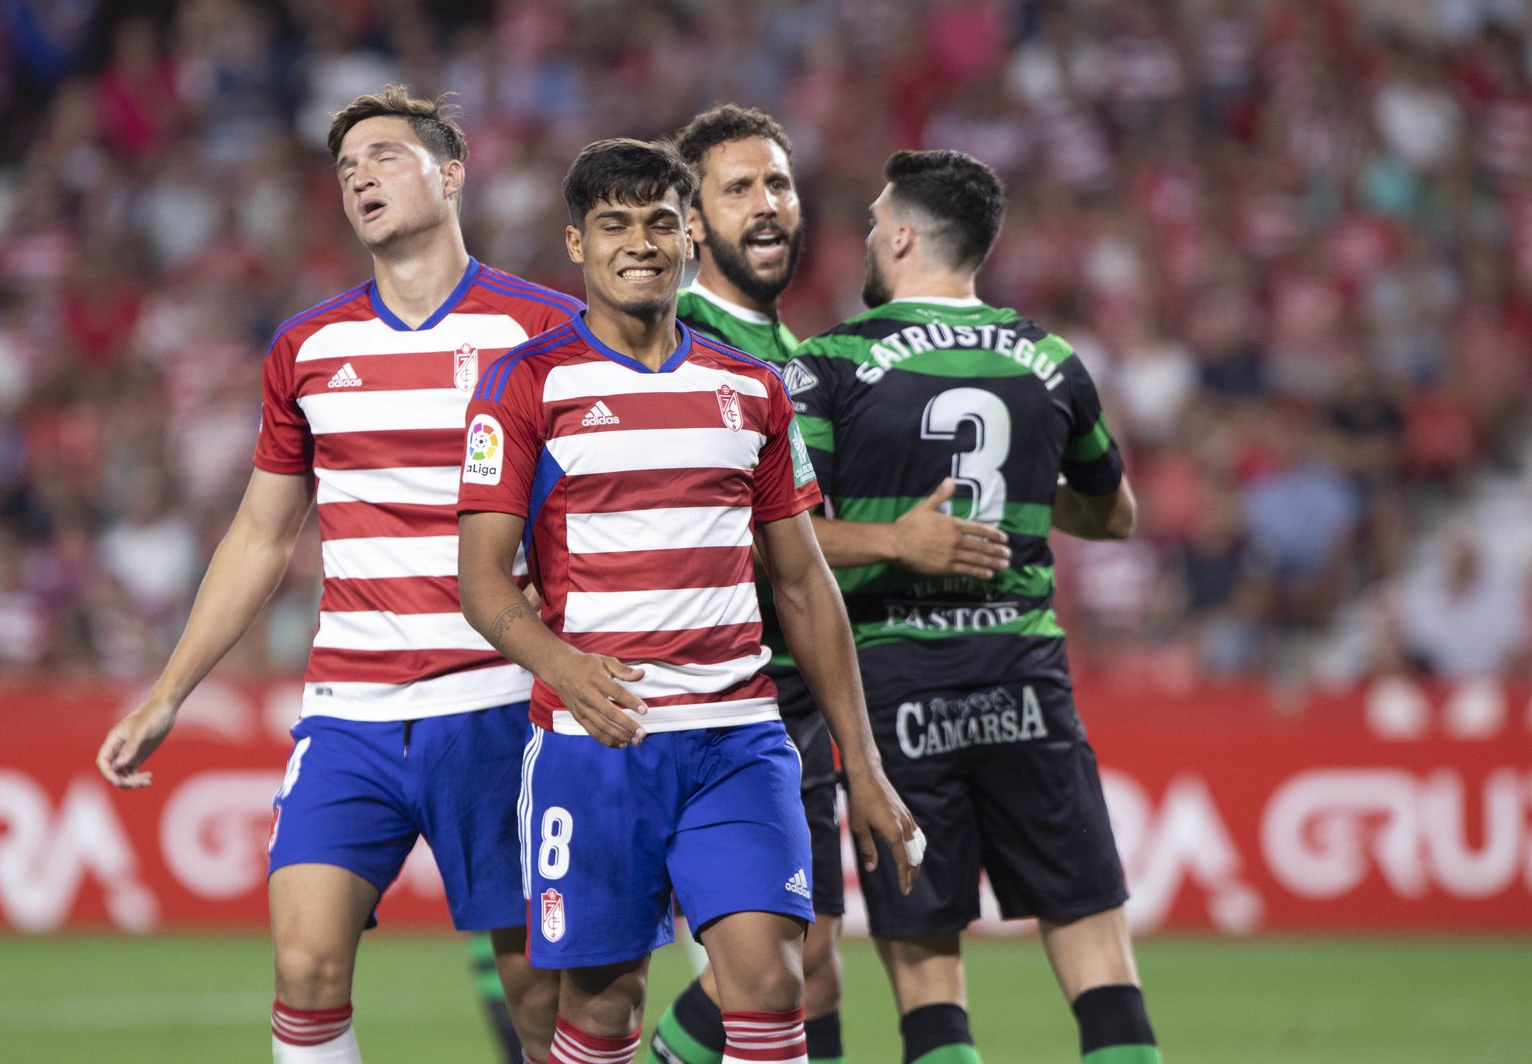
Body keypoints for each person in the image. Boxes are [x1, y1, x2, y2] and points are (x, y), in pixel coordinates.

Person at [93, 85, 581, 1064]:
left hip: (502, 707)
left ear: (451, 173)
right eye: (347, 164)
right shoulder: (308, 347)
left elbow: (592, 520)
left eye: (386, 154)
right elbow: (260, 536)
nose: (360, 173)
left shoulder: (548, 330)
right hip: (350, 711)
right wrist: (167, 690)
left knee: (542, 1000)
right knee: (306, 968)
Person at [455, 136, 921, 1064]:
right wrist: (564, 669)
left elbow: (802, 582)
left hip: (737, 739)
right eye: (615, 224)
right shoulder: (525, 384)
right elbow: (479, 579)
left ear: (690, 239)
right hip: (596, 746)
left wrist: (862, 767)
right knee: (601, 1010)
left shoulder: (748, 389)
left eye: (662, 222)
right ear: (577, 244)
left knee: (771, 983)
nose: (641, 241)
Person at [784, 149, 1160, 1064]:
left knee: (927, 974)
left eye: (875, 224)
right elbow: (1116, 515)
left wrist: (893, 538)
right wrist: (1021, 498)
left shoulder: (836, 363)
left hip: (897, 690)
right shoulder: (1052, 361)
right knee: (1096, 950)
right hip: (1026, 679)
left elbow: (779, 541)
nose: (868, 238)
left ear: (906, 234)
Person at [650, 104, 1009, 1064]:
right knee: (758, 968)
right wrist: (900, 541)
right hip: (708, 697)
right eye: (738, 190)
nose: (767, 207)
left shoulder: (790, 354)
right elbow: (764, 540)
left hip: (793, 694)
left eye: (778, 184)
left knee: (807, 968)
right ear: (690, 223)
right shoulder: (676, 344)